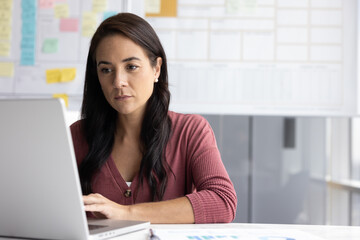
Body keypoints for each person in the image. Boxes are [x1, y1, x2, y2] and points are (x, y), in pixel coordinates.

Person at [70, 12, 237, 224]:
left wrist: (125, 213)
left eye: (131, 67)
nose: (118, 81)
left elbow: (222, 202)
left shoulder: (191, 131)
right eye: (106, 70)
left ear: (156, 68)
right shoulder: (76, 136)